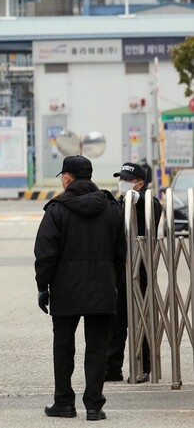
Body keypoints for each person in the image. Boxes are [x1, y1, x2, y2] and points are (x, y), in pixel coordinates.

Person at [34, 155, 125, 422]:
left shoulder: (57, 209)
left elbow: (45, 253)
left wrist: (43, 286)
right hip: (102, 287)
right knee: (97, 347)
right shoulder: (111, 208)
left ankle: (63, 402)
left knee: (64, 346)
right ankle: (94, 406)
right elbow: (121, 252)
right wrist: (113, 281)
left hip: (66, 289)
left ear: (67, 177)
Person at [105, 162, 162, 383]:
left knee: (143, 320)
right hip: (118, 271)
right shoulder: (116, 204)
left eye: (127, 179)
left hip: (141, 272)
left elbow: (154, 213)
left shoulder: (148, 203)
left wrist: (137, 201)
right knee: (115, 321)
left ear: (139, 183)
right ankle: (112, 368)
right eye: (121, 178)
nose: (123, 183)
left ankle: (145, 367)